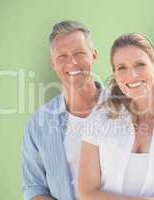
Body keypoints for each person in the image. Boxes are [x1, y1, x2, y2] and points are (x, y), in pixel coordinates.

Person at [78, 33, 154, 200]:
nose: (132, 75)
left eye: (140, 64)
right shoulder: (99, 118)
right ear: (115, 74)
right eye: (122, 67)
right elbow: (87, 194)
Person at [22, 20, 107, 200]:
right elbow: (34, 187)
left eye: (80, 53)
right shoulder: (39, 123)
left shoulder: (126, 109)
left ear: (94, 55)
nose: (72, 62)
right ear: (53, 63)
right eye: (62, 56)